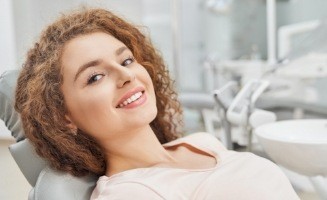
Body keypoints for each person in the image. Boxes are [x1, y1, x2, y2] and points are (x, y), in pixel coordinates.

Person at [15, 8, 299, 200]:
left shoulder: (202, 142)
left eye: (126, 60)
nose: (126, 75)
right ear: (65, 117)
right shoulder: (128, 194)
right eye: (96, 77)